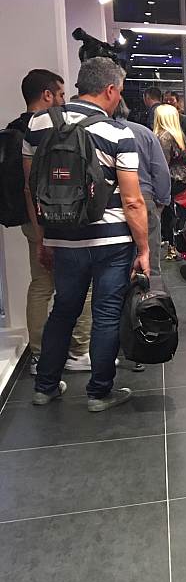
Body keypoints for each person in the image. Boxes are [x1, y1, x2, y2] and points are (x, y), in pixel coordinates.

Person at [23, 57, 150, 412]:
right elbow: (133, 200)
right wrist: (144, 249)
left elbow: (31, 188)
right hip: (111, 241)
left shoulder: (38, 124)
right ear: (109, 90)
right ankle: (98, 393)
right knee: (106, 313)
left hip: (62, 237)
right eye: (119, 92)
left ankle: (45, 387)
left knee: (63, 308)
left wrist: (43, 238)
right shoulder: (118, 133)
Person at [10, 69, 91, 374]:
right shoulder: (56, 127)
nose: (62, 100)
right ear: (47, 95)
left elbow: (26, 187)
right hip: (63, 219)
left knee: (41, 286)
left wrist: (38, 234)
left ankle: (39, 355)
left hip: (31, 221)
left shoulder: (15, 130)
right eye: (60, 94)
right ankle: (78, 351)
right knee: (80, 284)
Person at [114, 99, 170, 276]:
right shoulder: (145, 133)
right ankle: (151, 292)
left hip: (109, 204)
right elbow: (161, 172)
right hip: (144, 199)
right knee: (150, 268)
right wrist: (161, 202)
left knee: (114, 267)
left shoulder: (97, 133)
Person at [153, 104, 186, 260]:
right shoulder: (177, 135)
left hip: (169, 179)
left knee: (169, 215)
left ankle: (172, 246)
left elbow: (162, 164)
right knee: (178, 215)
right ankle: (176, 245)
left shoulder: (163, 137)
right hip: (183, 178)